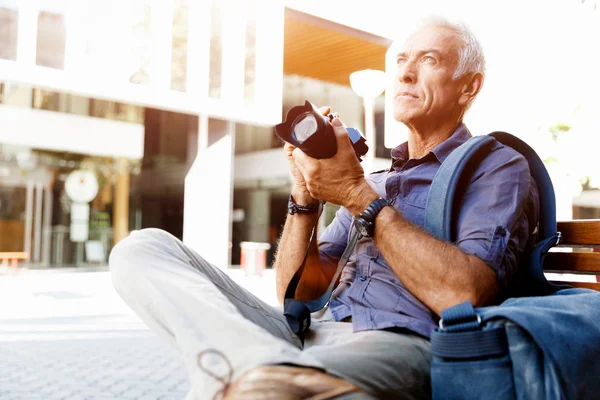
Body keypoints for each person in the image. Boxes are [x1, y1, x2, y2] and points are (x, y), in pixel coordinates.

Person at [109, 16, 539, 400]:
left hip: (402, 342)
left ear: (469, 85)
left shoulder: (496, 166)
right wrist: (305, 196)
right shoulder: (375, 180)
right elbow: (301, 294)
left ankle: (263, 376)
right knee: (142, 249)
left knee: (248, 391)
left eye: (428, 60)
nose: (405, 73)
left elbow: (463, 295)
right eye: (401, 59)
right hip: (306, 336)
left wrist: (355, 195)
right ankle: (267, 367)